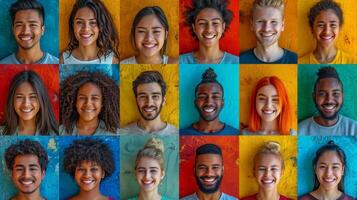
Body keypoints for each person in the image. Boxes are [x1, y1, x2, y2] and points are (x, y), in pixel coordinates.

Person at [298, 66, 357, 135]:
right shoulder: (301, 130)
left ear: (342, 97)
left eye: (335, 94)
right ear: (314, 97)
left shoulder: (354, 129)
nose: (329, 100)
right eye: (322, 94)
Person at [181, 68, 238, 135]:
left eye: (215, 97)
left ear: (222, 103)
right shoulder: (182, 133)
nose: (209, 102)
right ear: (195, 103)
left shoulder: (235, 133)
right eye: (202, 97)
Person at [60, 71, 119, 135]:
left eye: (94, 98)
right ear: (75, 101)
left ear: (102, 102)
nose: (88, 103)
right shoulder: (61, 131)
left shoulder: (114, 132)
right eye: (82, 98)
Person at [120, 70, 178, 135]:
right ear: (136, 100)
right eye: (143, 96)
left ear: (163, 101)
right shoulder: (123, 133)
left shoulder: (176, 133)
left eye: (155, 96)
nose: (149, 103)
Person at [1, 70, 58, 135]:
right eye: (19, 97)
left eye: (32, 97)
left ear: (42, 99)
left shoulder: (55, 134)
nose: (26, 104)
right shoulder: (2, 133)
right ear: (12, 100)